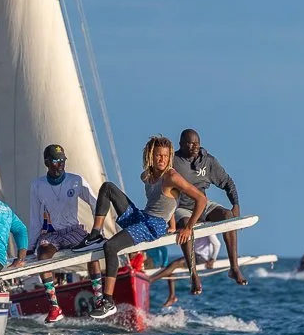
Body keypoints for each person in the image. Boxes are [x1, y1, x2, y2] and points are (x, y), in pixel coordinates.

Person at [72, 135, 208, 304]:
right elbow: (167, 201)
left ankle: (107, 301)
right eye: (159, 155)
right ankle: (95, 235)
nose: (162, 159)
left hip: (153, 225)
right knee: (107, 188)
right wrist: (172, 224)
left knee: (111, 246)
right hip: (142, 217)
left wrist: (188, 227)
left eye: (166, 156)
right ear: (150, 155)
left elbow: (201, 199)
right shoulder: (146, 176)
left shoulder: (171, 176)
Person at [173, 129, 247, 285]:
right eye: (190, 143)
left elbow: (228, 182)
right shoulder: (173, 161)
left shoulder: (207, 161)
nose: (194, 147)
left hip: (204, 204)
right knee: (185, 225)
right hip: (182, 207)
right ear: (180, 144)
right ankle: (194, 275)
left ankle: (234, 268)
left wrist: (235, 204)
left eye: (197, 143)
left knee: (227, 215)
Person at [27, 144, 97, 256]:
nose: (60, 165)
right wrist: (31, 246)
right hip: (51, 234)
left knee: (91, 249)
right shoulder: (37, 185)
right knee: (42, 254)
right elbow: (35, 218)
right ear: (47, 163)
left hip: (73, 229)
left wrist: (98, 231)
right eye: (56, 161)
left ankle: (99, 274)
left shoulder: (76, 180)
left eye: (62, 160)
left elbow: (95, 204)